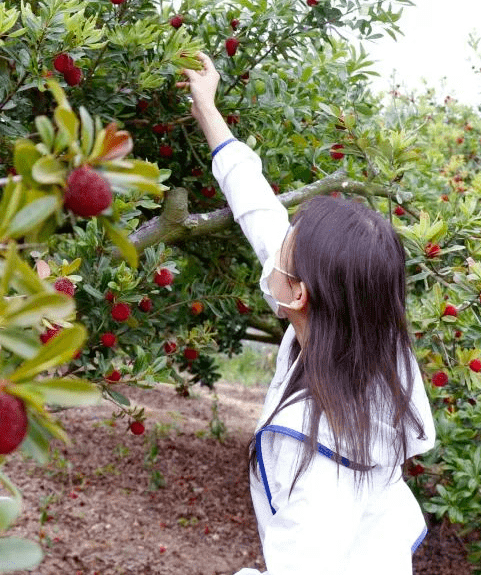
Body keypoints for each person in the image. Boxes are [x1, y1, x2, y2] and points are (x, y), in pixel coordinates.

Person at [178, 53, 437, 575]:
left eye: (287, 247)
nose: (276, 243)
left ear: (297, 295)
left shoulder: (315, 449)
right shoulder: (369, 343)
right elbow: (259, 212)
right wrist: (207, 108)